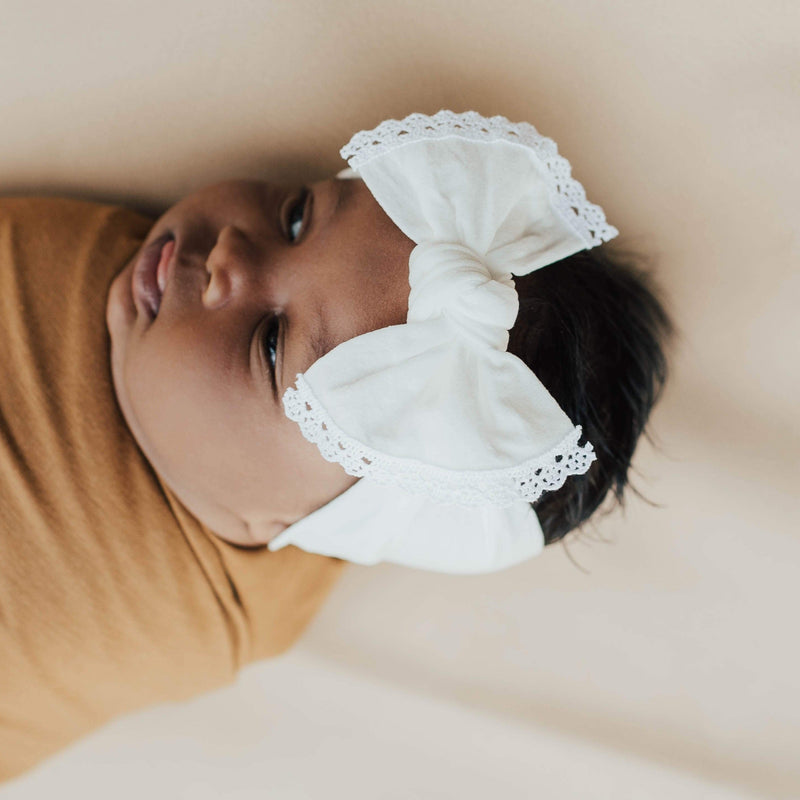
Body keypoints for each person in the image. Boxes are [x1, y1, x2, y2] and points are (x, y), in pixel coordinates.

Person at [0, 110, 670, 782]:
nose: (231, 253)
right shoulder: (162, 328)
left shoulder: (170, 611)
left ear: (294, 521)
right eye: (296, 217)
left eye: (269, 342)